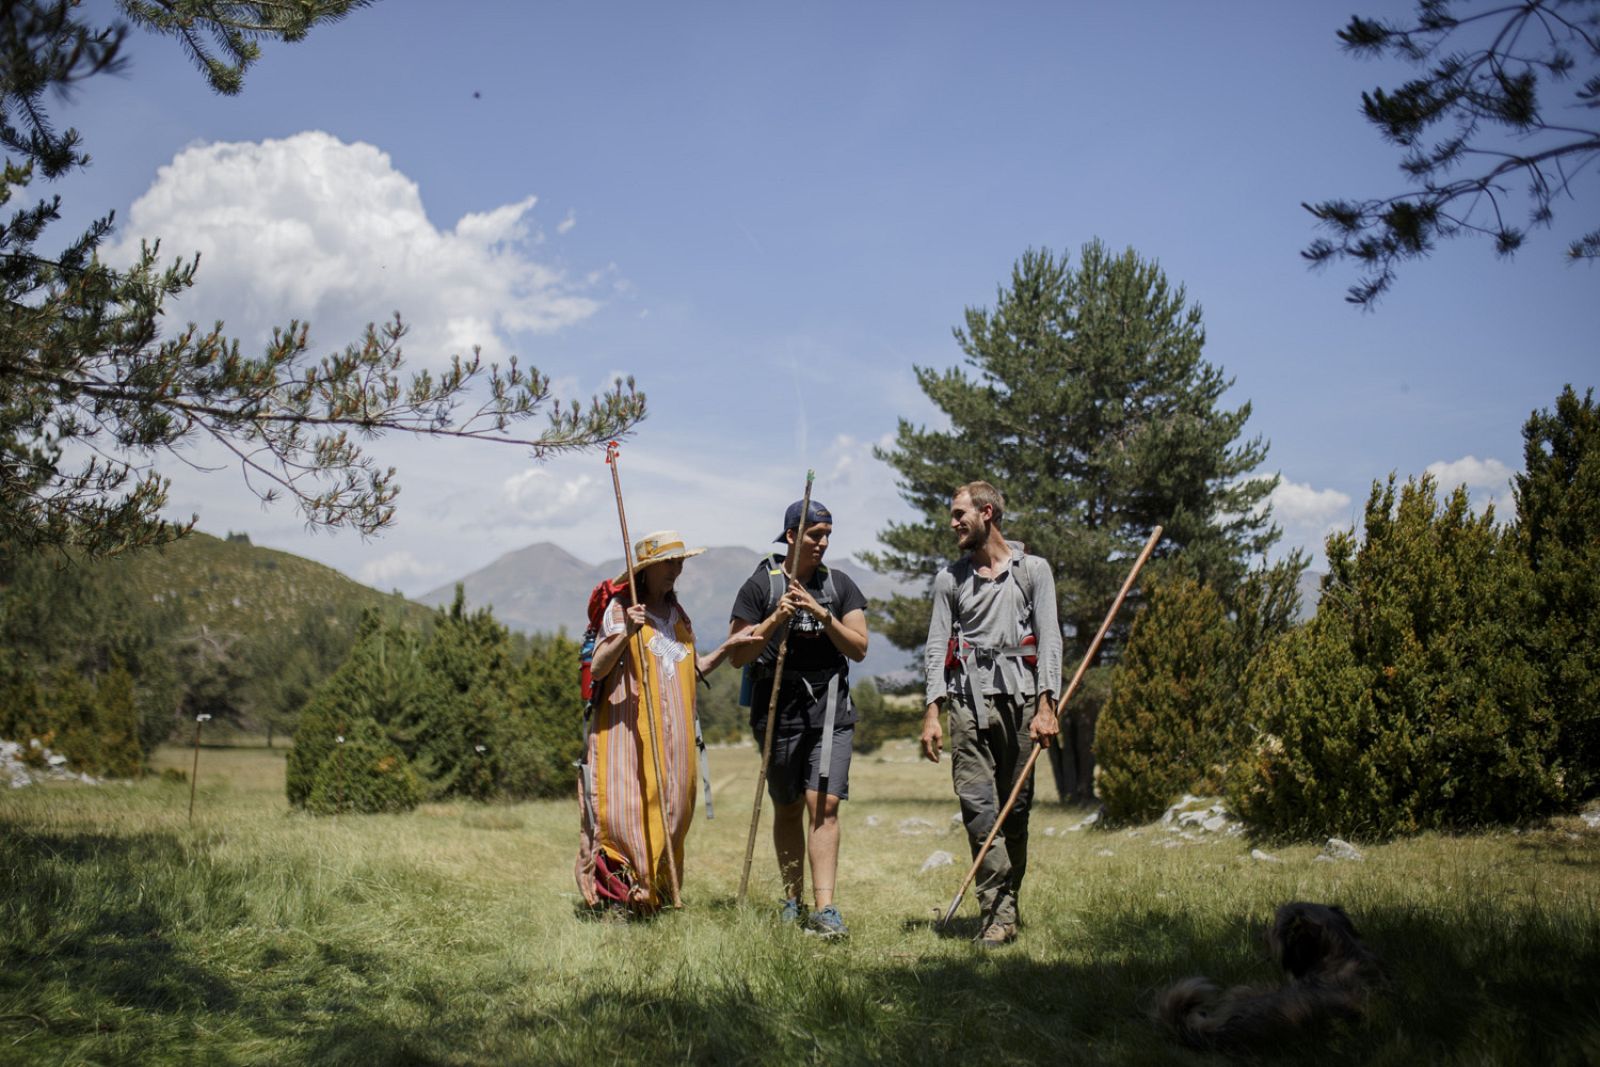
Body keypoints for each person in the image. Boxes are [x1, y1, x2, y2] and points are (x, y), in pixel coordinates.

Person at [578, 530, 758, 914]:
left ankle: (653, 894)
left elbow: (693, 668)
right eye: (667, 564)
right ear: (645, 569)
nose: (675, 571)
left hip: (674, 739)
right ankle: (618, 899)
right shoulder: (622, 610)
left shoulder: (678, 615)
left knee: (674, 808)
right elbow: (600, 667)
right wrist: (627, 632)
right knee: (625, 811)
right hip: (628, 735)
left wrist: (728, 648)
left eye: (679, 563)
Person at [920, 482, 1062, 948]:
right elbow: (936, 646)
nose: (953, 523)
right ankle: (997, 914)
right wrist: (933, 712)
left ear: (987, 513)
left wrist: (1047, 706)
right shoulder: (950, 579)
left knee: (1014, 812)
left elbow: (1050, 639)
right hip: (967, 702)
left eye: (959, 514)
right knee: (979, 809)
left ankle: (1007, 903)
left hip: (1022, 703)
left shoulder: (1033, 571)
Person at [728, 499, 869, 938]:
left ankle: (826, 909)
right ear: (791, 536)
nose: (823, 543)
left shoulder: (840, 585)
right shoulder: (760, 585)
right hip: (778, 711)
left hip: (830, 711)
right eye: (815, 535)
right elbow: (737, 655)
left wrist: (821, 614)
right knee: (787, 806)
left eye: (827, 535)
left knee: (823, 804)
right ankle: (793, 900)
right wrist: (777, 618)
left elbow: (859, 647)